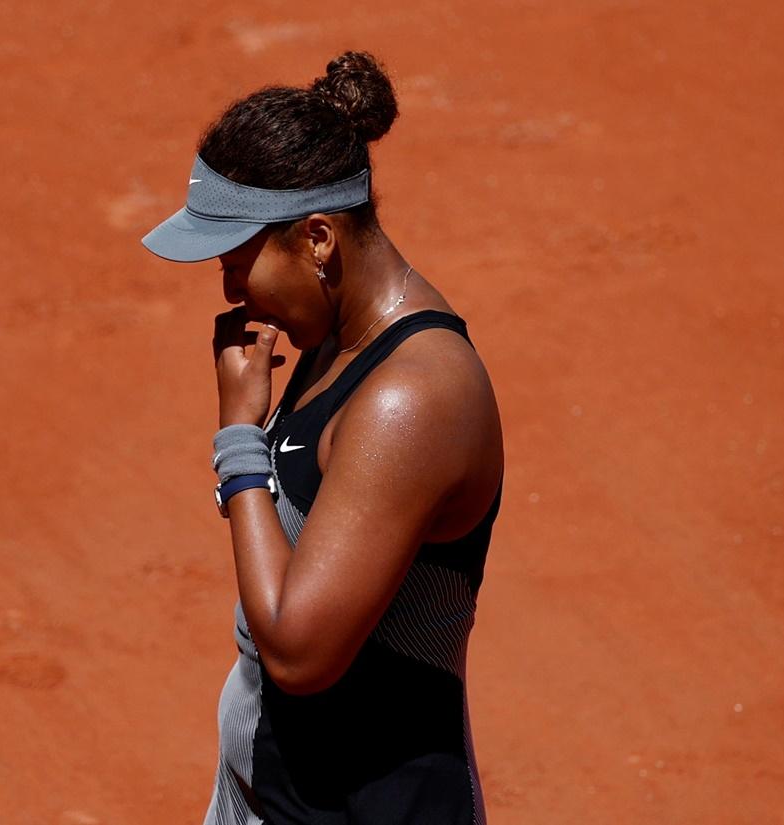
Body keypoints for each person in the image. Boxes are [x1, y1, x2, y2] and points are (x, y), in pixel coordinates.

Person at [142, 51, 504, 825]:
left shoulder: (412, 400)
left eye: (238, 263)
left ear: (316, 240)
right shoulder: (330, 336)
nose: (232, 292)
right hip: (270, 790)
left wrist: (239, 436)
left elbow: (299, 652)